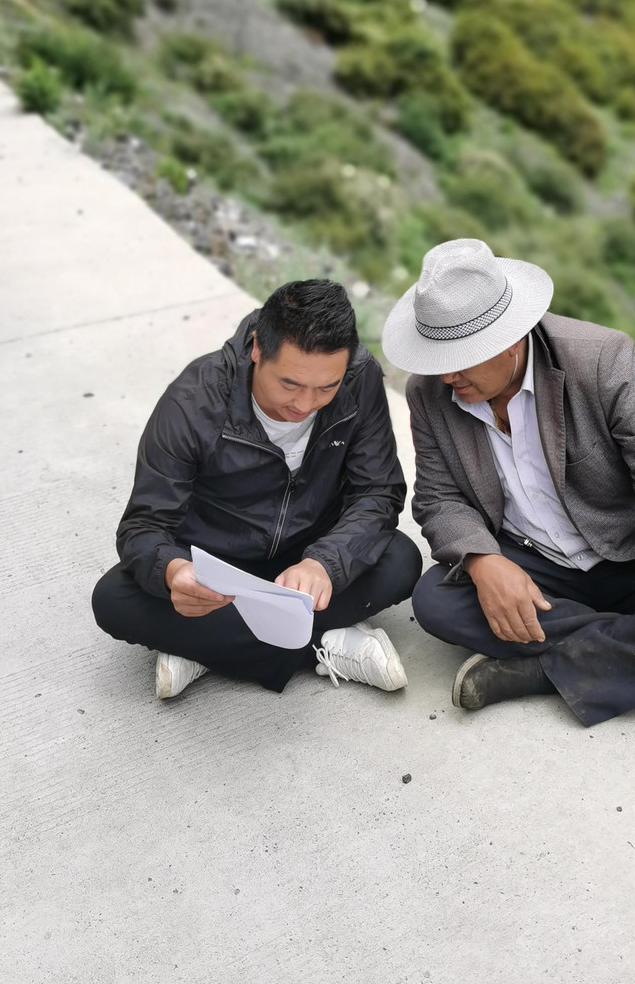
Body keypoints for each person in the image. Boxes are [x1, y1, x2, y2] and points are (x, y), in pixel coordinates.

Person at [381, 239, 635, 726]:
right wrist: (484, 562)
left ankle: (536, 673)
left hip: (632, 555)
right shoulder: (429, 393)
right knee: (436, 603)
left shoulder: (605, 361)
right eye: (437, 359)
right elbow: (439, 498)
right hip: (535, 562)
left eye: (460, 359)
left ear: (509, 339)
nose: (447, 377)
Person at [93, 279, 421, 698]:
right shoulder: (192, 402)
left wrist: (323, 564)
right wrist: (175, 572)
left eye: (327, 387)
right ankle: (326, 644)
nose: (305, 404)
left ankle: (203, 647)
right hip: (218, 565)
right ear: (256, 350)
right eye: (290, 384)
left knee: (401, 560)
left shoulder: (359, 377)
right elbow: (142, 527)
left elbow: (378, 492)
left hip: (307, 557)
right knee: (113, 600)